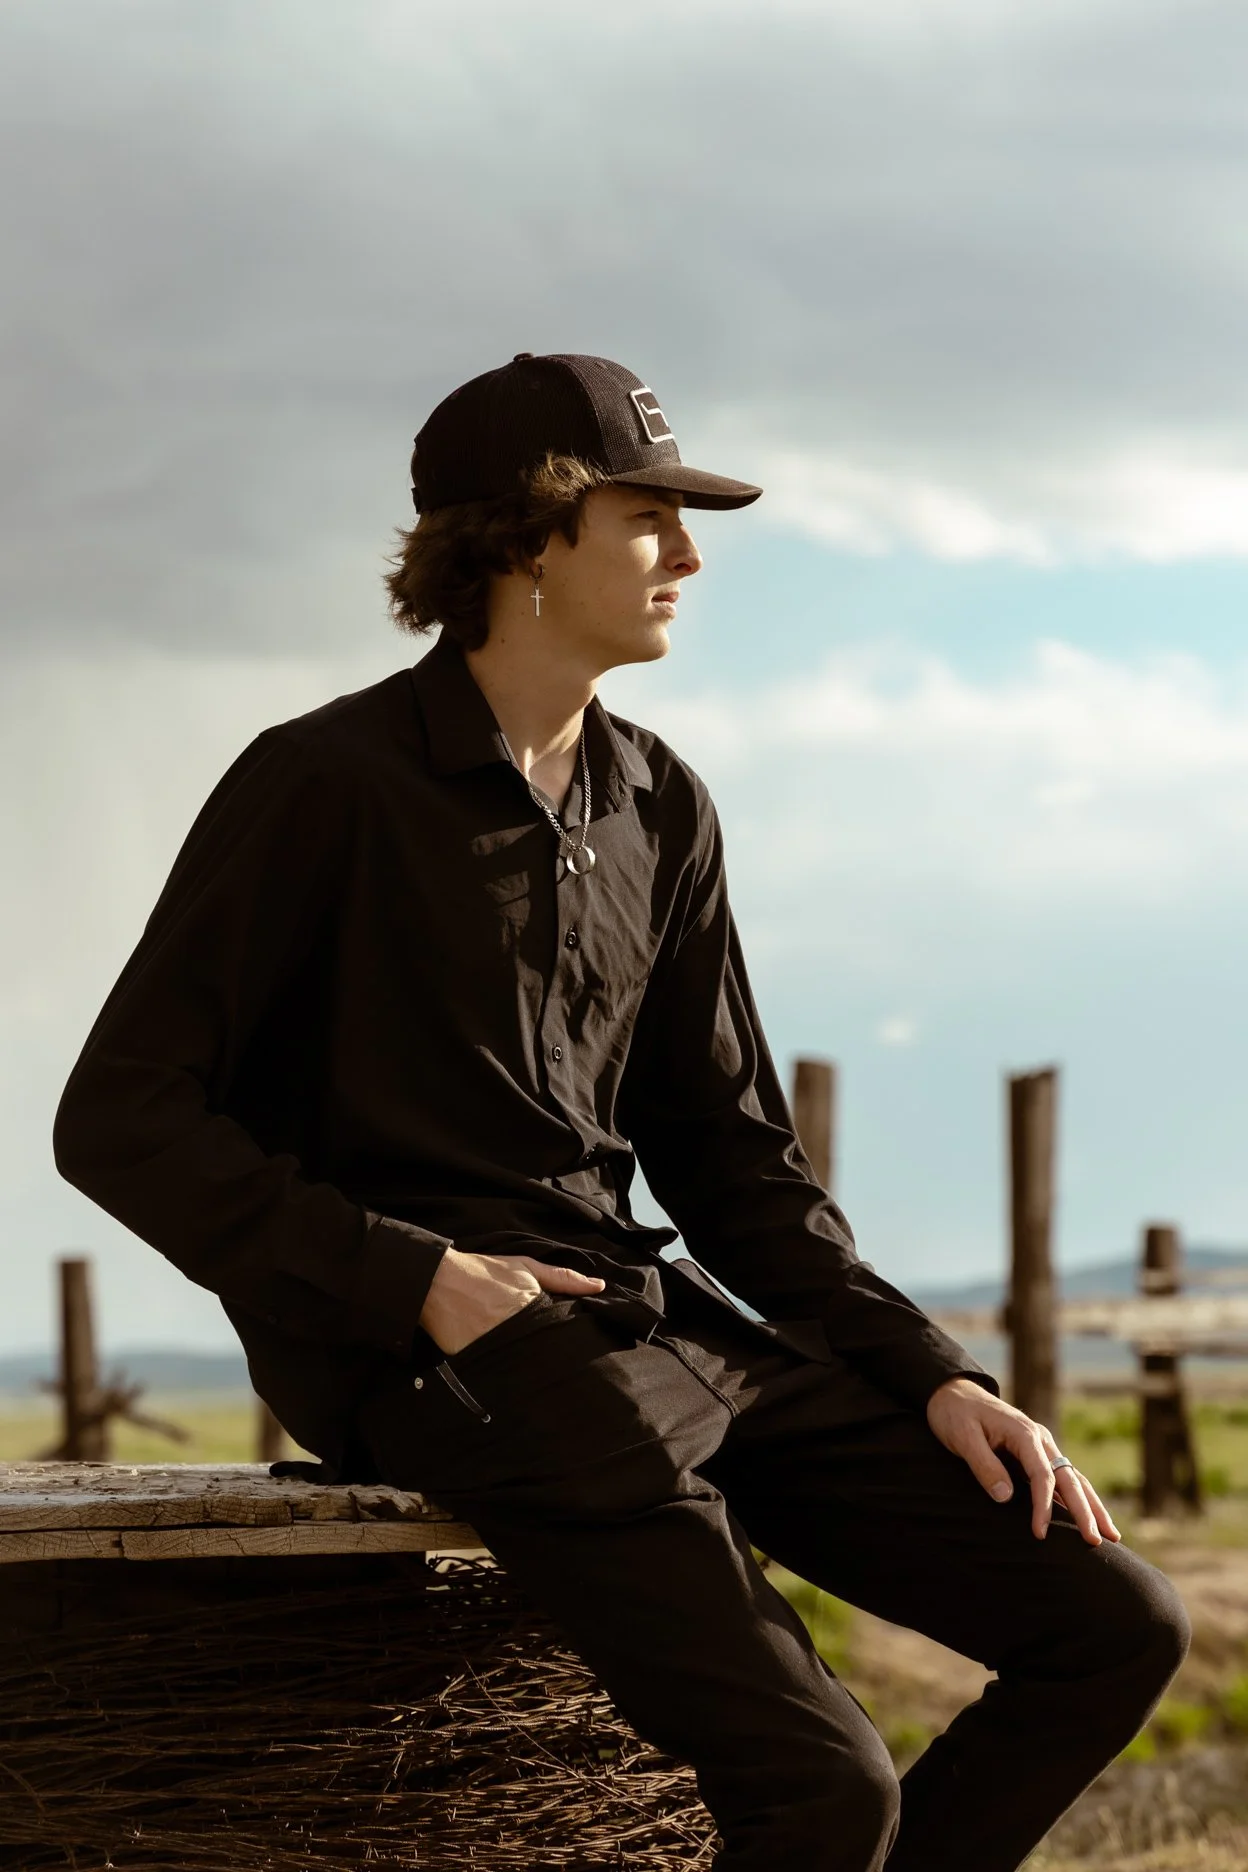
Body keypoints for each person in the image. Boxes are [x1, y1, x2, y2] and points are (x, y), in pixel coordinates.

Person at [53, 351, 1190, 1871]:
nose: (691, 555)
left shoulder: (659, 802)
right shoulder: (325, 784)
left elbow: (732, 1155)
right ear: (529, 536)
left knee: (1112, 1623)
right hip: (439, 1352)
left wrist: (925, 1371)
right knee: (823, 1786)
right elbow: (119, 1116)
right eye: (650, 518)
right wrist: (423, 1282)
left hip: (654, 1326)